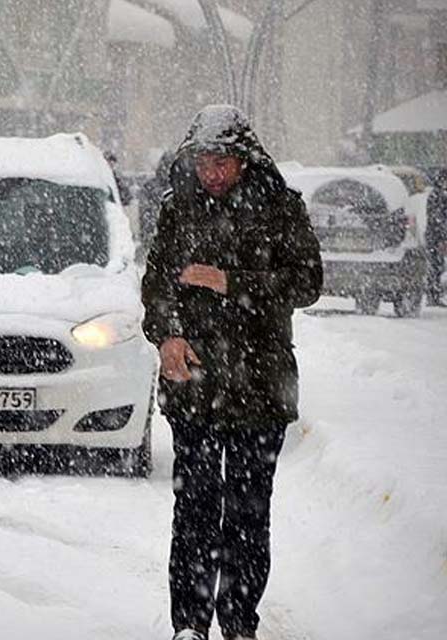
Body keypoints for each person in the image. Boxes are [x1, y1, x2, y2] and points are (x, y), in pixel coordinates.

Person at [141, 105, 322, 640]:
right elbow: (157, 286)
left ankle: (239, 623)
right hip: (193, 386)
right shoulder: (179, 208)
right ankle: (190, 625)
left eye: (221, 161)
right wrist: (168, 334)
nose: (211, 173)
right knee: (194, 509)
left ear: (244, 159)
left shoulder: (280, 208)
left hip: (259, 386)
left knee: (246, 514)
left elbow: (308, 281)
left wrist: (231, 282)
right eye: (203, 161)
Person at [424, 167, 446, 306]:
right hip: (436, 236)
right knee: (436, 265)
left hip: (436, 235)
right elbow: (436, 218)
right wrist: (442, 237)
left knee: (437, 265)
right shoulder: (438, 196)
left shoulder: (437, 195)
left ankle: (434, 293)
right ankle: (433, 294)